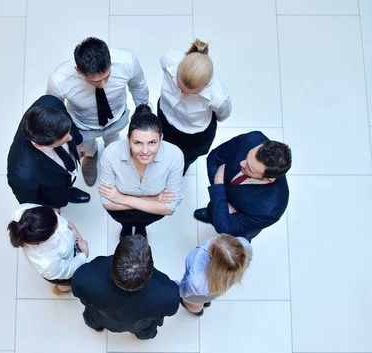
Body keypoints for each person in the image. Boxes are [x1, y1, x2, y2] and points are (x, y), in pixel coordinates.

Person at [47, 37, 149, 187]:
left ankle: (112, 152)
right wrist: (70, 138)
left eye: (107, 77)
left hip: (116, 118)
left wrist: (142, 112)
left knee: (113, 139)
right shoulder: (60, 80)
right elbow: (56, 111)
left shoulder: (127, 62)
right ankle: (90, 155)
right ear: (78, 70)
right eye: (95, 81)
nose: (103, 84)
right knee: (87, 147)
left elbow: (138, 86)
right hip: (83, 127)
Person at [98, 104, 184, 239]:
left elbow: (169, 208)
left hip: (149, 214)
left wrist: (121, 198)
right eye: (137, 143)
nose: (145, 151)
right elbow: (107, 203)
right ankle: (126, 227)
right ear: (128, 139)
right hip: (122, 213)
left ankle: (141, 228)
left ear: (161, 138)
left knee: (143, 224)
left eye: (152, 143)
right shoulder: (111, 153)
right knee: (124, 223)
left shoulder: (174, 155)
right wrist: (155, 199)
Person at [72, 235, 179, 340]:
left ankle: (98, 328)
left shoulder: (84, 277)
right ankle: (142, 336)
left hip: (99, 317)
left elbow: (78, 292)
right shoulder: (169, 294)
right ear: (150, 265)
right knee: (146, 332)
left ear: (114, 259)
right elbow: (170, 311)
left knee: (94, 322)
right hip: (139, 326)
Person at [194, 131, 291, 241]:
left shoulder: (271, 209)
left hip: (241, 228)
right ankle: (211, 214)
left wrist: (219, 184)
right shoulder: (253, 139)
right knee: (214, 212)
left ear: (268, 179)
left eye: (250, 168)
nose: (242, 163)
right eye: (247, 156)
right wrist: (220, 196)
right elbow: (213, 159)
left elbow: (224, 227)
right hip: (226, 208)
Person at [158, 39, 231, 174]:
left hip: (193, 135)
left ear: (206, 84)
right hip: (164, 116)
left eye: (193, 93)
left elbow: (222, 115)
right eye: (179, 87)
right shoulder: (170, 61)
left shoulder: (218, 97)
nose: (183, 94)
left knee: (183, 161)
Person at [7, 95, 90, 210]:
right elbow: (29, 202)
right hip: (51, 191)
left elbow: (68, 121)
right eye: (63, 140)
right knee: (57, 198)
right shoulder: (22, 174)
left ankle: (68, 191)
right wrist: (48, 210)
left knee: (65, 185)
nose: (70, 139)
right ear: (39, 144)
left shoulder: (51, 103)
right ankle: (62, 198)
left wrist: (79, 143)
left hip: (62, 178)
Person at [8, 203, 89, 294]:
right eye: (56, 227)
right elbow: (69, 270)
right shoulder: (47, 263)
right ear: (44, 240)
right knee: (68, 282)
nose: (58, 218)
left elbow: (57, 218)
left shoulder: (24, 212)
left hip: (68, 255)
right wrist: (84, 254)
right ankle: (62, 288)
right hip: (62, 273)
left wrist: (72, 228)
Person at [178, 234, 252, 316]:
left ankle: (198, 311)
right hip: (215, 290)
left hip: (195, 294)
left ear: (215, 261)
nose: (212, 239)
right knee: (205, 299)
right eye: (218, 238)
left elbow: (184, 290)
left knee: (194, 304)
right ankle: (206, 302)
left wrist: (177, 292)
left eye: (212, 245)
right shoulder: (245, 247)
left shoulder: (197, 279)